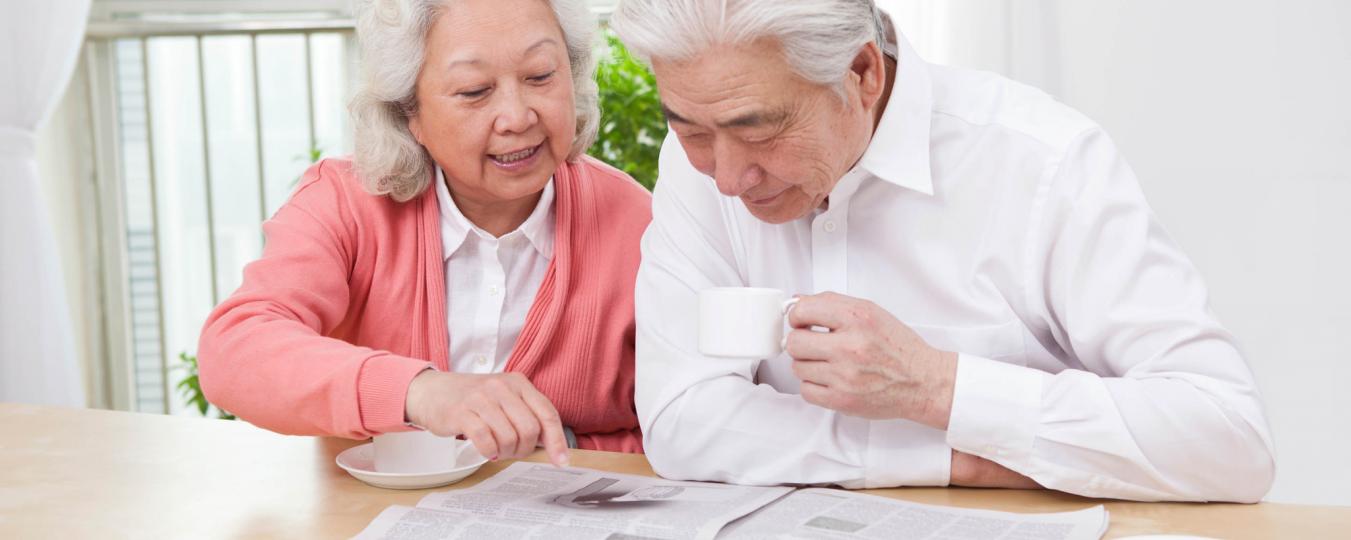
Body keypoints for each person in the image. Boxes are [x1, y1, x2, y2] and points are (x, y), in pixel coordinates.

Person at [611, 0, 1274, 501]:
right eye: (689, 128)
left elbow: (1227, 440)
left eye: (757, 131)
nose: (725, 179)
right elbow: (682, 418)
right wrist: (958, 459)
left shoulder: (1041, 163)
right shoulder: (696, 162)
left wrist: (934, 385)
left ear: (862, 73)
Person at [198, 0, 651, 464]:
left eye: (540, 76)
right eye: (474, 91)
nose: (517, 117)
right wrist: (421, 391)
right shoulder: (343, 203)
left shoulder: (638, 224)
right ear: (408, 112)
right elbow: (234, 351)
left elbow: (680, 431)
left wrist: (556, 445)